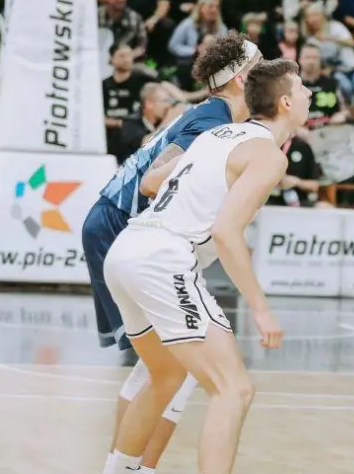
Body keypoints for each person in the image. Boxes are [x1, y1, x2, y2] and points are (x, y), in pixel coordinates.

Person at [99, 58, 305, 474]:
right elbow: (228, 232)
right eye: (302, 89)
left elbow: (151, 181)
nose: (308, 95)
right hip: (164, 259)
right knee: (234, 390)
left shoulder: (219, 136)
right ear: (285, 103)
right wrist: (261, 309)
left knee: (165, 377)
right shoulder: (268, 155)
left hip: (128, 250)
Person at [81, 34, 259, 474]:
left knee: (162, 366)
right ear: (239, 79)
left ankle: (126, 466)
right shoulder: (213, 118)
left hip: (119, 223)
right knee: (172, 367)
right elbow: (156, 178)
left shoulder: (215, 115)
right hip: (127, 225)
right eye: (259, 67)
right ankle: (135, 468)